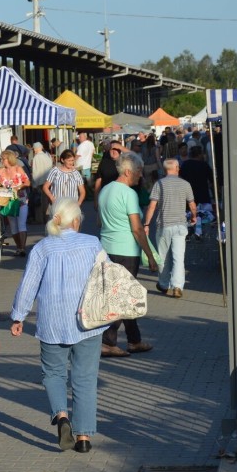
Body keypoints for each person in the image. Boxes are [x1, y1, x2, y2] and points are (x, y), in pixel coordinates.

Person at [10, 198, 104, 453]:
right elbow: (106, 276)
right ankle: (83, 437)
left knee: (53, 374)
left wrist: (18, 316)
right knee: (84, 379)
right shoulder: (92, 243)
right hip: (88, 321)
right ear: (76, 220)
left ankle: (62, 416)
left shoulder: (42, 248)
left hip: (52, 322)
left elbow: (28, 284)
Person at [97, 153, 158, 357]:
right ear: (129, 171)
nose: (141, 176)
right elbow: (137, 229)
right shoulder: (128, 194)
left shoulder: (105, 190)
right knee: (122, 296)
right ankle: (108, 341)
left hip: (107, 247)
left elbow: (100, 220)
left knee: (123, 293)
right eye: (139, 171)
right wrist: (150, 255)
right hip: (126, 250)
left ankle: (134, 340)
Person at [143, 158, 196, 299]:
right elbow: (192, 205)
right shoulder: (185, 184)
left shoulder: (159, 184)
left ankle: (164, 284)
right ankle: (177, 286)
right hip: (180, 225)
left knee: (163, 257)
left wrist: (146, 224)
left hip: (164, 225)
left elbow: (152, 206)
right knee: (179, 258)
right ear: (176, 168)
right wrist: (194, 217)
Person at [0, 149, 30, 256]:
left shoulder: (18, 169)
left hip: (21, 200)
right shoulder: (1, 171)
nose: (1, 160)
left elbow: (28, 182)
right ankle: (19, 247)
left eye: (3, 159)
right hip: (8, 202)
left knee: (21, 224)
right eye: (1, 159)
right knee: (13, 226)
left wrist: (20, 186)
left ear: (9, 159)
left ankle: (23, 248)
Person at [30, 141, 53, 224]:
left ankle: (40, 219)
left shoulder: (36, 158)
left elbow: (35, 172)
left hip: (40, 182)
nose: (34, 150)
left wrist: (34, 184)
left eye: (34, 149)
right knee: (46, 200)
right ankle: (47, 217)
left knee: (39, 201)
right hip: (49, 181)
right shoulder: (47, 156)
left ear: (36, 149)